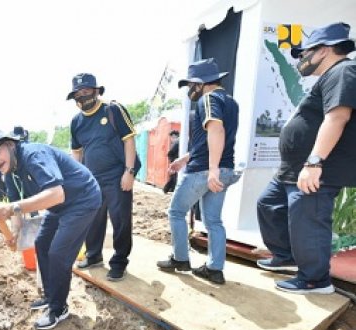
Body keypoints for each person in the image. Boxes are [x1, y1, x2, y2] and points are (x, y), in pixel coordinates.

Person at [257, 23, 356, 295]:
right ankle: (286, 256)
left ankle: (315, 280)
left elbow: (338, 117)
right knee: (268, 204)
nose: (301, 59)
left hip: (317, 168)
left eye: (304, 53)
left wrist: (314, 162)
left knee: (308, 223)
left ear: (323, 50)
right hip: (292, 168)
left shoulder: (343, 70)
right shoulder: (330, 76)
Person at [0, 129, 101, 330]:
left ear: (10, 144)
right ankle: (50, 295)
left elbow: (56, 194)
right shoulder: (10, 172)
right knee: (42, 244)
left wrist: (11, 209)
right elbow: (17, 210)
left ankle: (59, 308)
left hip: (82, 200)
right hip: (59, 206)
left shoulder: (33, 154)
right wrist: (14, 235)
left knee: (58, 253)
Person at [156, 58, 240, 285]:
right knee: (214, 221)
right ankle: (215, 269)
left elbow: (216, 131)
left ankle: (180, 259)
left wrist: (211, 169)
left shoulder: (209, 99)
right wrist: (185, 158)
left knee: (176, 212)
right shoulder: (230, 101)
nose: (189, 90)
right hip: (223, 168)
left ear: (201, 83)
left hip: (204, 170)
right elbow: (207, 140)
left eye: (191, 84)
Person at [68, 73, 139, 281]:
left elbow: (129, 140)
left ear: (96, 91)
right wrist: (78, 180)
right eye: (78, 94)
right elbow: (77, 153)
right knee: (92, 220)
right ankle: (94, 255)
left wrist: (129, 171)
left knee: (120, 221)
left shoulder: (113, 110)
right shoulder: (76, 122)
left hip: (118, 176)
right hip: (92, 181)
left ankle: (119, 261)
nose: (82, 96)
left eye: (86, 91)